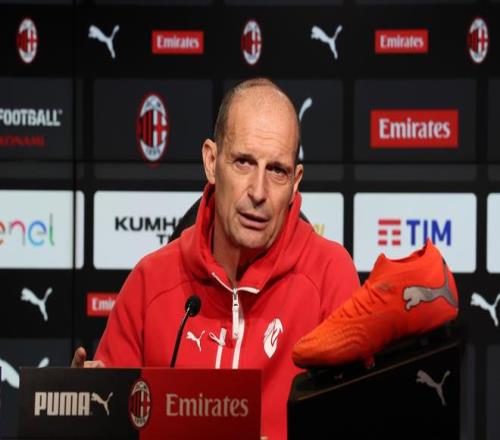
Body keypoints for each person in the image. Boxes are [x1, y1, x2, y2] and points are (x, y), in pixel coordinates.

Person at [72, 78, 360, 439]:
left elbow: (356, 422)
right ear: (211, 161)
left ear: (295, 182)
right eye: (243, 162)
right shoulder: (150, 281)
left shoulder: (330, 275)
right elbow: (110, 424)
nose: (258, 192)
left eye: (277, 170)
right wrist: (82, 417)